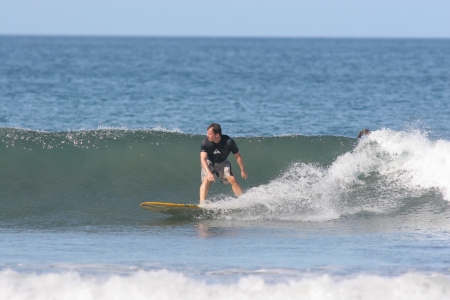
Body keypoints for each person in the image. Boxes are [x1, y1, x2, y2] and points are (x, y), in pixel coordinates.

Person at [199, 123, 248, 204]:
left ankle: (243, 201)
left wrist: (242, 170)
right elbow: (203, 159)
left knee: (232, 179)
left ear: (217, 134)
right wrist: (209, 173)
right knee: (206, 180)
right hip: (209, 161)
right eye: (207, 133)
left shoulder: (229, 142)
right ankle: (202, 203)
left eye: (210, 134)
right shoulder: (205, 142)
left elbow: (238, 156)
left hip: (222, 161)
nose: (207, 135)